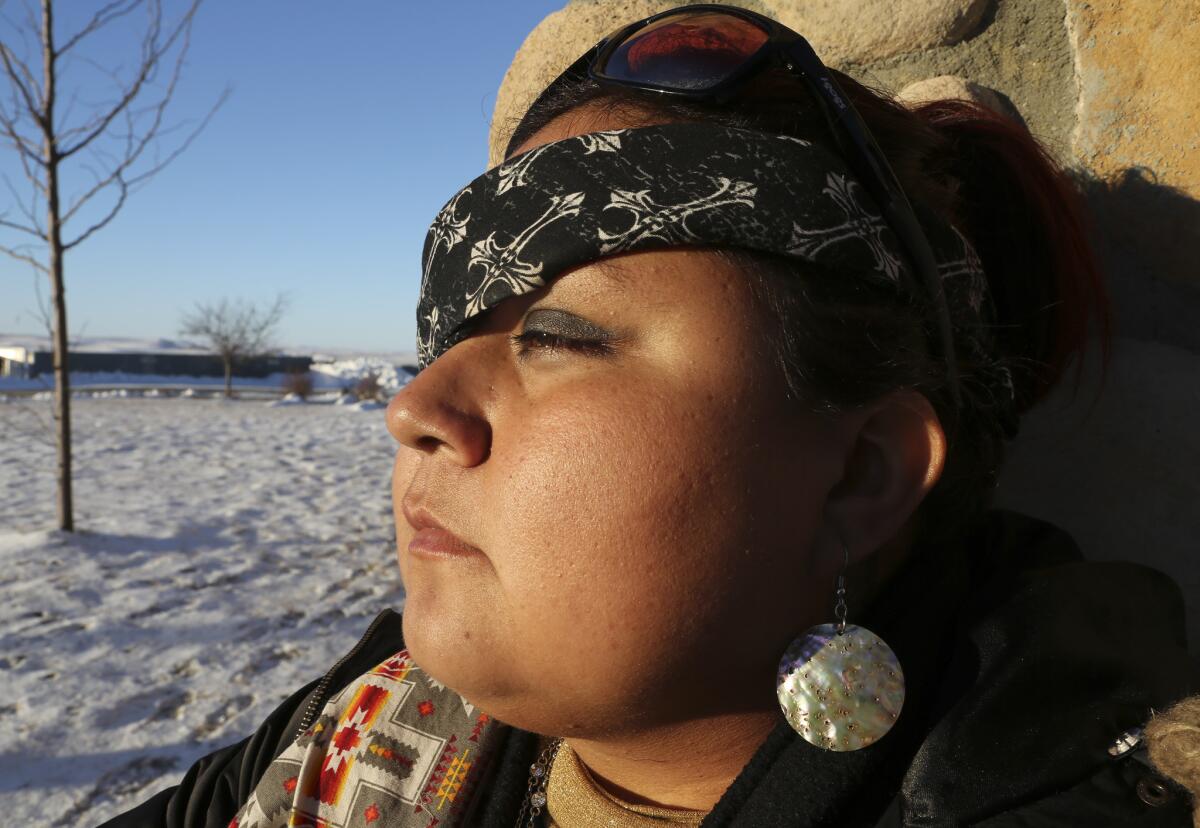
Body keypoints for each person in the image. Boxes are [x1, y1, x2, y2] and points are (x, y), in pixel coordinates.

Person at [105, 6, 1198, 827]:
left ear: (860, 474)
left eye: (563, 334)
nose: (414, 406)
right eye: (451, 336)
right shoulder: (358, 724)